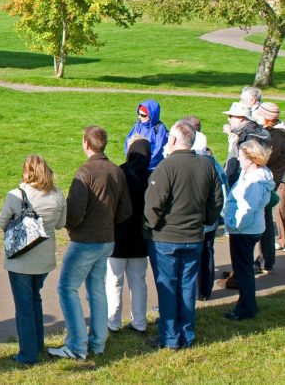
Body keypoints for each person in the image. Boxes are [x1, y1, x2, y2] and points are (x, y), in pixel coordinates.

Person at [49, 126, 131, 361]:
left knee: (67, 288)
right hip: (107, 240)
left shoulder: (85, 172)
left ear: (86, 143)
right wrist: (107, 222)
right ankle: (97, 342)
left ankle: (76, 345)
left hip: (86, 241)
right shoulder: (116, 171)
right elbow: (126, 209)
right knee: (96, 290)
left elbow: (75, 211)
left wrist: (71, 226)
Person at [143, 121, 224, 349]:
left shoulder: (166, 167)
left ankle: (170, 337)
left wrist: (150, 226)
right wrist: (206, 220)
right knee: (187, 286)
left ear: (174, 140)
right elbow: (217, 200)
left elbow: (153, 204)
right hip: (193, 236)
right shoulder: (208, 165)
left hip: (165, 239)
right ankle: (186, 334)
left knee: (168, 287)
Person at [0, 155, 66, 365]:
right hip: (44, 259)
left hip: (21, 259)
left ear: (26, 172)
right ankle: (36, 345)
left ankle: (28, 354)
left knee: (24, 306)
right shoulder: (57, 195)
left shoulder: (16, 195)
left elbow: (1, 222)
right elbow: (61, 224)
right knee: (35, 299)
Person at [223, 139, 274, 321]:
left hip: (244, 230)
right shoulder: (257, 174)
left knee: (243, 270)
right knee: (244, 270)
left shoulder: (254, 180)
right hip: (249, 228)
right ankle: (246, 305)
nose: (238, 159)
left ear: (251, 159)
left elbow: (247, 209)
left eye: (241, 156)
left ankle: (246, 308)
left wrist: (233, 225)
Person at [106, 136, 150, 334]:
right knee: (138, 281)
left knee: (114, 281)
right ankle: (139, 321)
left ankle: (113, 321)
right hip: (140, 238)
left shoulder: (119, 173)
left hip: (118, 236)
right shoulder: (151, 176)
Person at [184, 117, 229, 301]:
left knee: (194, 256)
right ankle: (203, 291)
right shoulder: (213, 163)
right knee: (207, 252)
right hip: (208, 220)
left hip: (200, 221)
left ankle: (197, 292)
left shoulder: (202, 165)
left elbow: (220, 195)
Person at [252, 103, 284, 275]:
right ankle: (266, 260)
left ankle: (266, 261)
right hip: (267, 182)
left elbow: (263, 159)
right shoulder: (272, 135)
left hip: (267, 184)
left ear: (267, 118)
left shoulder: (276, 137)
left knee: (263, 224)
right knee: (263, 222)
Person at [222, 102, 269, 187]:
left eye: (230, 116)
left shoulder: (249, 138)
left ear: (240, 118)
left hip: (245, 186)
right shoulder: (250, 133)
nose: (228, 120)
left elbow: (248, 165)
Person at [124, 99, 168, 171]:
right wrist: (129, 158)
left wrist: (144, 164)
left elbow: (158, 150)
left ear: (151, 115)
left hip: (150, 168)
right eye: (139, 114)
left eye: (143, 115)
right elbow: (128, 140)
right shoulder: (139, 124)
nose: (139, 117)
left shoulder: (160, 128)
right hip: (135, 164)